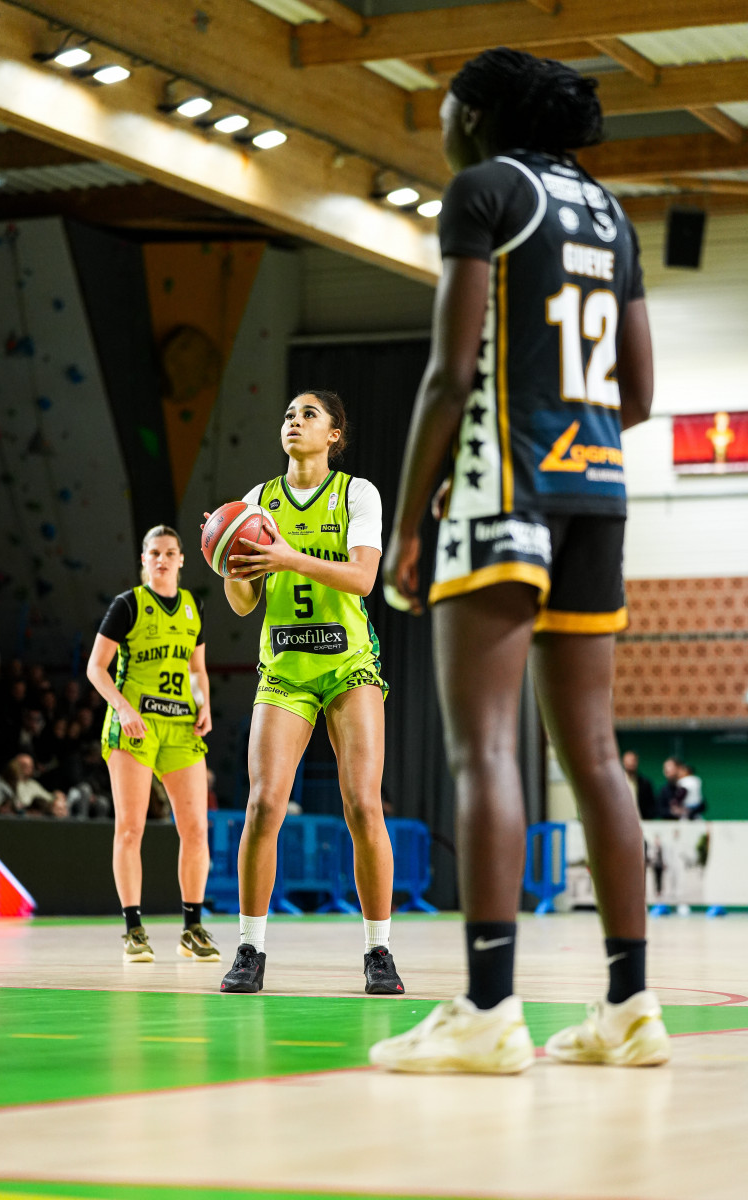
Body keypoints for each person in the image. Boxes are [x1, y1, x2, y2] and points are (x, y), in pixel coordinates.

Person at [370, 48, 668, 1072]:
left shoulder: (483, 191)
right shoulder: (610, 213)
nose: (441, 122)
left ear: (479, 114)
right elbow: (638, 393)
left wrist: (409, 523)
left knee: (486, 749)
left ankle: (490, 1009)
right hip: (598, 494)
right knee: (593, 755)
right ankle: (630, 1008)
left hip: (506, 486)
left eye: (448, 105)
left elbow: (448, 374)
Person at [213, 389, 404, 996]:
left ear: (333, 435)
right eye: (288, 414)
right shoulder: (256, 503)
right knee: (264, 805)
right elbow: (243, 603)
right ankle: (249, 948)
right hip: (286, 668)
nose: (294, 421)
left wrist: (288, 557)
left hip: (349, 663)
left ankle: (378, 951)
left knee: (363, 805)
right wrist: (228, 560)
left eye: (308, 414)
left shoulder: (357, 493)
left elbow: (363, 578)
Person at [86, 525, 219, 964]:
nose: (162, 559)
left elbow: (197, 669)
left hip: (180, 725)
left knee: (196, 829)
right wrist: (123, 708)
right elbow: (96, 668)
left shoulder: (194, 606)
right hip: (135, 725)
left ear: (182, 559)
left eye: (169, 552)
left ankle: (192, 928)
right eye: (154, 553)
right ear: (143, 560)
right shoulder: (127, 605)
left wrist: (205, 704)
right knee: (131, 828)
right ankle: (133, 930)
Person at [622, 750, 656, 820]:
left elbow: (651, 805)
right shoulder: (617, 783)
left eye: (633, 761)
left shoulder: (645, 783)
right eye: (628, 761)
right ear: (623, 762)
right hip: (622, 821)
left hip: (641, 821)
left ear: (637, 762)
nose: (631, 763)